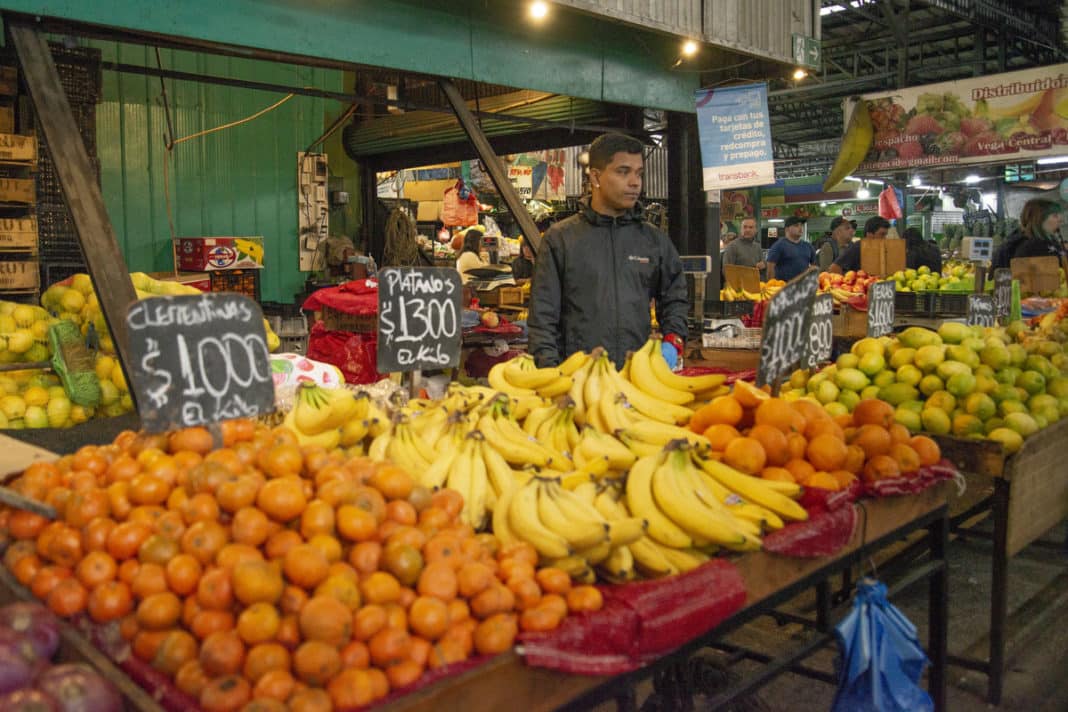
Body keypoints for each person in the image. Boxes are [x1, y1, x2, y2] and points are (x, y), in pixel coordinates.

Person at [528, 133, 688, 370]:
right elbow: (542, 319)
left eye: (639, 173)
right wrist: (551, 373)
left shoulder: (653, 241)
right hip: (577, 380)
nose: (635, 182)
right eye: (623, 171)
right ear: (595, 176)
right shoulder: (561, 240)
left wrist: (672, 341)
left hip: (637, 377)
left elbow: (675, 298)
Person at [991, 198, 1065, 269]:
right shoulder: (1032, 247)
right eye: (1055, 216)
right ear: (1039, 219)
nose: (1061, 220)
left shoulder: (1048, 243)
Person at [766, 216, 816, 282]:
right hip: (784, 288)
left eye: (801, 225)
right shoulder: (779, 246)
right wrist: (771, 286)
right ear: (787, 229)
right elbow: (770, 267)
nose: (800, 228)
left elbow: (814, 267)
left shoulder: (808, 246)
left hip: (803, 287)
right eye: (796, 225)